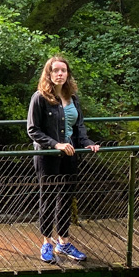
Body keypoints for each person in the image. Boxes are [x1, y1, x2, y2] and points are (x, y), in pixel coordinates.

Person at [26, 55, 99, 263]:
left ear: (68, 74)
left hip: (70, 154)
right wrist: (55, 144)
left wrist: (87, 143)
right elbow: (33, 130)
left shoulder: (73, 98)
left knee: (65, 197)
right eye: (55, 70)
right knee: (48, 196)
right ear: (48, 74)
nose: (60, 74)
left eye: (63, 71)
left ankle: (63, 242)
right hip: (48, 155)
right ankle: (46, 243)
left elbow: (79, 127)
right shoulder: (39, 97)